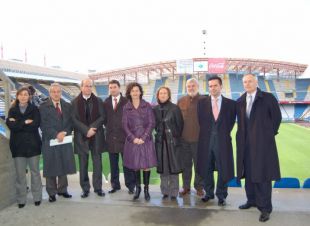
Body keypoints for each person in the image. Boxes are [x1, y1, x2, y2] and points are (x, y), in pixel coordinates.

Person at [236, 74, 282, 222]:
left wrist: (267, 134)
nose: (247, 84)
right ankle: (252, 200)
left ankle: (265, 208)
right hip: (245, 145)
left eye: (250, 81)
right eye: (245, 82)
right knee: (248, 174)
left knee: (263, 175)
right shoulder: (241, 100)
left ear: (256, 82)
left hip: (262, 144)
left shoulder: (268, 98)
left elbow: (277, 118)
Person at [197, 76, 236, 206]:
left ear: (221, 86)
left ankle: (221, 195)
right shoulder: (202, 103)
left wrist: (221, 134)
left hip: (223, 142)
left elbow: (230, 123)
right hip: (206, 142)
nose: (212, 88)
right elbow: (201, 121)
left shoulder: (231, 104)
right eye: (210, 86)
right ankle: (209, 193)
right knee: (206, 167)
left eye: (215, 85)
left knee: (223, 168)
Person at [6, 87, 42, 208]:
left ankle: (37, 197)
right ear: (17, 96)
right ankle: (21, 199)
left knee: (35, 173)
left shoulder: (35, 109)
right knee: (20, 175)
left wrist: (17, 123)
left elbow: (35, 124)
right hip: (18, 147)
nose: (23, 97)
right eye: (20, 94)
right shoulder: (12, 110)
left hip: (33, 146)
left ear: (29, 96)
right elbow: (11, 126)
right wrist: (25, 122)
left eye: (25, 94)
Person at [39, 83, 76, 202]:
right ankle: (51, 192)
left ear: (61, 92)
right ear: (50, 93)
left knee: (63, 164)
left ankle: (62, 190)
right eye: (53, 92)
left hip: (64, 139)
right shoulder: (43, 107)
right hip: (50, 140)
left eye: (58, 91)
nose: (56, 94)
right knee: (51, 167)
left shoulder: (67, 105)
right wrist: (56, 134)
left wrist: (64, 132)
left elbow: (71, 122)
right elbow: (43, 125)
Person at [72, 79, 106, 198]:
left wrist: (92, 128)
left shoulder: (98, 101)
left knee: (97, 163)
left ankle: (98, 188)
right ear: (81, 87)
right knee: (83, 164)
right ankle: (85, 189)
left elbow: (102, 117)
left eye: (90, 86)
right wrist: (86, 130)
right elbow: (74, 120)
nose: (88, 88)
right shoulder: (74, 102)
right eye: (86, 86)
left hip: (96, 135)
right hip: (81, 136)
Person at [122, 82, 157, 201]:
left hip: (145, 140)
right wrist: (133, 138)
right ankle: (138, 189)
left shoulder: (147, 105)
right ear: (129, 93)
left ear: (140, 92)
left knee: (146, 166)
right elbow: (125, 125)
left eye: (137, 90)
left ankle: (146, 190)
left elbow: (151, 122)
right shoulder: (126, 107)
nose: (135, 93)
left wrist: (144, 137)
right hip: (133, 141)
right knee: (135, 165)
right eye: (133, 91)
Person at [103, 80, 136, 194]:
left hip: (125, 138)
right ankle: (115, 185)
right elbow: (104, 119)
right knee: (113, 164)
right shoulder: (106, 102)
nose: (112, 89)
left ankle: (131, 185)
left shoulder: (127, 101)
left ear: (119, 88)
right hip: (111, 138)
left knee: (127, 163)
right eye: (110, 87)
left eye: (114, 87)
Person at [153, 86, 183, 200]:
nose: (163, 95)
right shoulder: (155, 109)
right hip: (160, 142)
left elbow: (180, 125)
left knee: (173, 168)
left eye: (165, 93)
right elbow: (154, 124)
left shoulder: (175, 108)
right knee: (163, 168)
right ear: (158, 95)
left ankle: (174, 192)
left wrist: (173, 137)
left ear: (168, 95)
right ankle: (165, 191)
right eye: (161, 93)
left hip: (172, 143)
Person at [177, 78, 204, 197]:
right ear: (186, 87)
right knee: (185, 165)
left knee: (199, 165)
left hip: (199, 140)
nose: (191, 88)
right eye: (189, 86)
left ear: (197, 87)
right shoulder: (181, 101)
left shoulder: (205, 100)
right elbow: (177, 120)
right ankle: (186, 187)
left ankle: (199, 187)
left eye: (193, 86)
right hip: (184, 140)